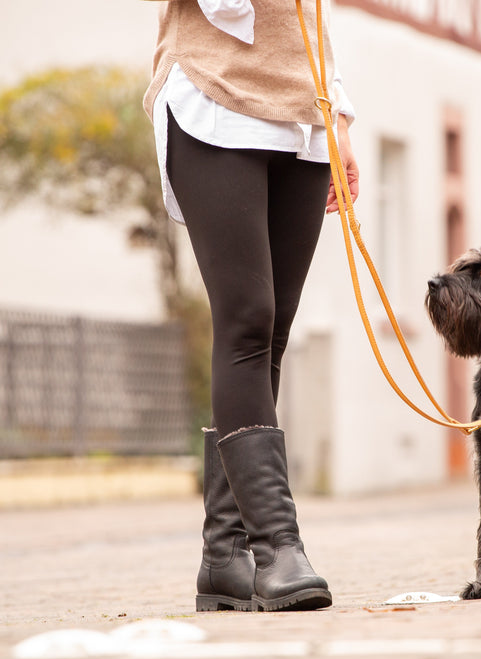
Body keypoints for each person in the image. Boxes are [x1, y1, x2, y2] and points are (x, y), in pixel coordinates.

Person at [143, 0, 360, 613]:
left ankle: (224, 557)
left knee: (272, 332)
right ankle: (277, 548)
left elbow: (309, 18)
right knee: (246, 322)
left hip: (305, 118)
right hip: (216, 100)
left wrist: (339, 115)